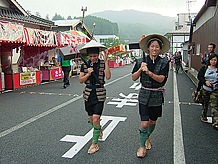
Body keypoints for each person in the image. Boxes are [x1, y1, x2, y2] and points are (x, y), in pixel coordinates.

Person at [132, 34, 170, 158]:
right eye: (152, 46)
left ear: (160, 49)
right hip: (144, 94)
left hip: (157, 95)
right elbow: (133, 77)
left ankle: (147, 136)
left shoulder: (164, 62)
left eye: (157, 47)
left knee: (152, 122)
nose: (154, 49)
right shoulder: (140, 61)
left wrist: (149, 72)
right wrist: (140, 70)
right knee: (144, 123)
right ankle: (142, 146)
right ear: (148, 48)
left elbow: (162, 80)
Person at [79, 40, 111, 154]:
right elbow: (80, 80)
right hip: (88, 94)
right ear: (88, 56)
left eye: (95, 55)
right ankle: (98, 129)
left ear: (98, 55)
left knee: (96, 118)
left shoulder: (102, 63)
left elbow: (108, 76)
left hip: (100, 93)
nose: (93, 58)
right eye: (91, 56)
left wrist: (106, 62)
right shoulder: (84, 65)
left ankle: (95, 143)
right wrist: (88, 73)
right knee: (92, 119)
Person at [197, 54, 218, 129]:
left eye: (215, 60)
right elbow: (200, 76)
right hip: (205, 89)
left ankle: (216, 122)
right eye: (212, 60)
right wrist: (205, 82)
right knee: (205, 103)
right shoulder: (205, 68)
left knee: (214, 105)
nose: (213, 61)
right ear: (209, 60)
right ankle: (204, 115)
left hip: (215, 90)